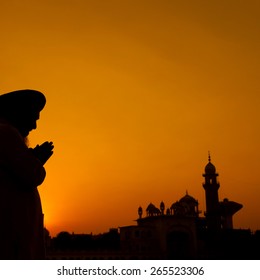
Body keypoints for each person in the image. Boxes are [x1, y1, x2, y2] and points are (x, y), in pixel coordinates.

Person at [0, 89, 54, 259]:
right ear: (18, 113)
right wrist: (36, 161)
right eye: (33, 118)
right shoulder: (5, 133)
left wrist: (31, 158)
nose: (34, 126)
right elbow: (32, 174)